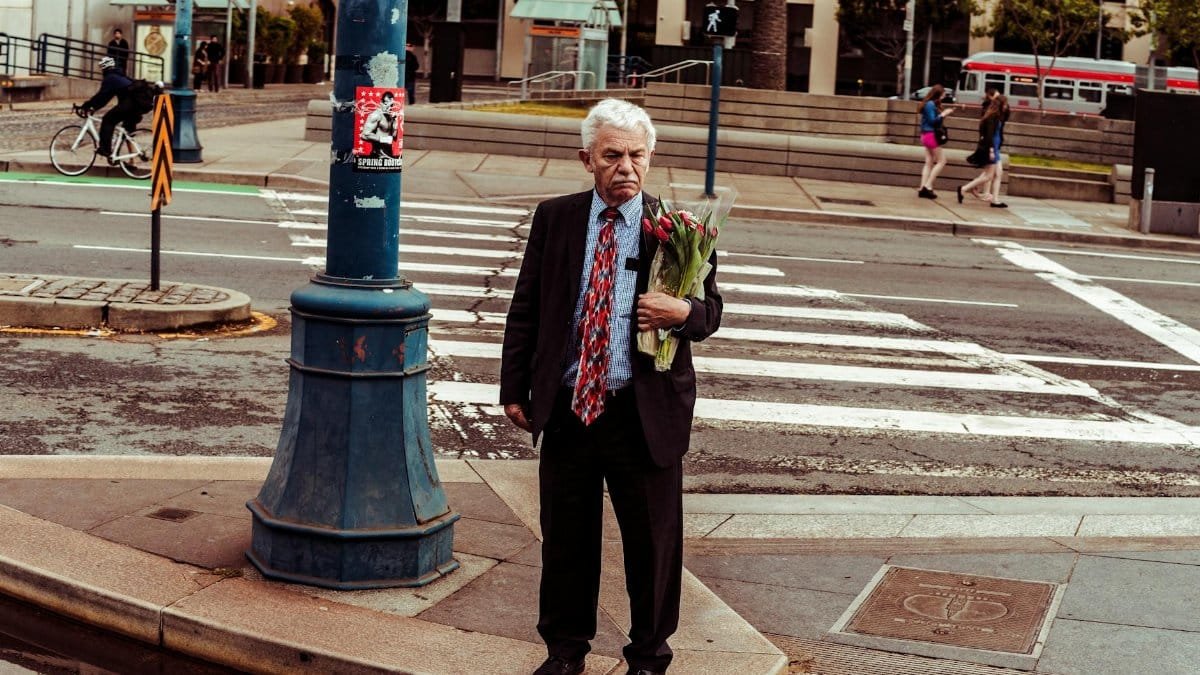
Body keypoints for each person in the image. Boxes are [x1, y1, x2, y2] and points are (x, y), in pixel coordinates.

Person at [500, 98, 722, 675]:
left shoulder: (679, 229)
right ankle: (565, 652)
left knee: (652, 548)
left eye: (637, 155)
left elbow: (711, 313)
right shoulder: (555, 218)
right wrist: (514, 388)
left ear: (650, 159)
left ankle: (649, 656)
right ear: (587, 159)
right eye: (612, 155)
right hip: (573, 408)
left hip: (642, 414)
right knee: (567, 542)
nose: (626, 166)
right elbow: (526, 309)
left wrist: (681, 311)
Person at [79, 57, 140, 161]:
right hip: (136, 106)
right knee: (127, 132)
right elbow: (105, 98)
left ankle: (105, 149)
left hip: (129, 105)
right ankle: (133, 161)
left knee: (108, 120)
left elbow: (102, 96)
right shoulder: (119, 76)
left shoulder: (110, 78)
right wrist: (94, 106)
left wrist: (87, 105)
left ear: (104, 69)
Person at [958, 94, 1009, 208]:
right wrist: (991, 150)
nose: (1006, 106)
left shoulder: (995, 115)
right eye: (1005, 104)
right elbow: (989, 135)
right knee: (988, 176)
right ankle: (964, 189)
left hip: (994, 147)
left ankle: (995, 200)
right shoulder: (993, 117)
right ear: (1001, 105)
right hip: (992, 148)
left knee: (997, 174)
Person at [917, 84, 954, 199]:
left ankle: (922, 187)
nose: (943, 97)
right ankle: (927, 187)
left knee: (929, 161)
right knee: (942, 161)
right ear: (938, 94)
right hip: (931, 135)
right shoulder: (930, 104)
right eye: (942, 95)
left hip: (925, 135)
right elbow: (933, 121)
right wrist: (943, 114)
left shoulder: (928, 104)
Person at [359, 91, 400, 158]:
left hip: (389, 151)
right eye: (386, 103)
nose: (389, 107)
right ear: (381, 102)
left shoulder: (391, 116)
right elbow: (364, 135)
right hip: (378, 153)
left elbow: (394, 137)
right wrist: (383, 139)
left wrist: (395, 123)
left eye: (391, 104)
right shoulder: (376, 115)